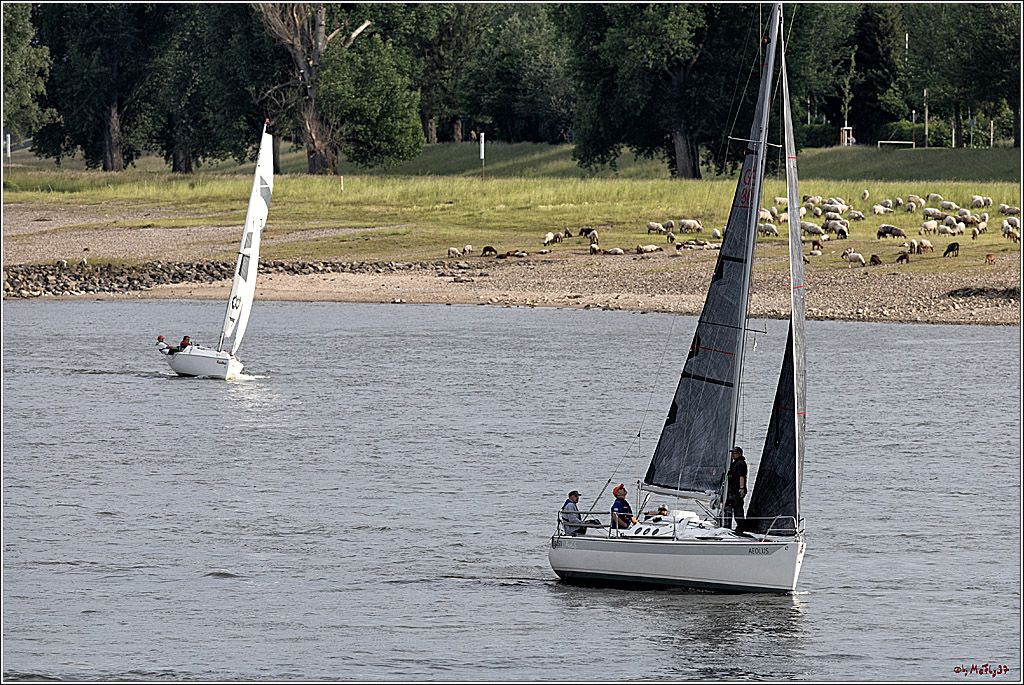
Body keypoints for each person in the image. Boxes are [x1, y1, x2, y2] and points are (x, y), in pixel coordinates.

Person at [722, 446, 748, 530]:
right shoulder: (734, 463)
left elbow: (742, 477)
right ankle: (740, 528)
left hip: (735, 491)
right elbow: (729, 475)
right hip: (731, 490)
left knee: (728, 508)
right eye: (732, 453)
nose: (733, 455)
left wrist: (741, 488)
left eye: (735, 453)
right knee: (738, 510)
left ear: (740, 454)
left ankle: (727, 528)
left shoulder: (740, 463)